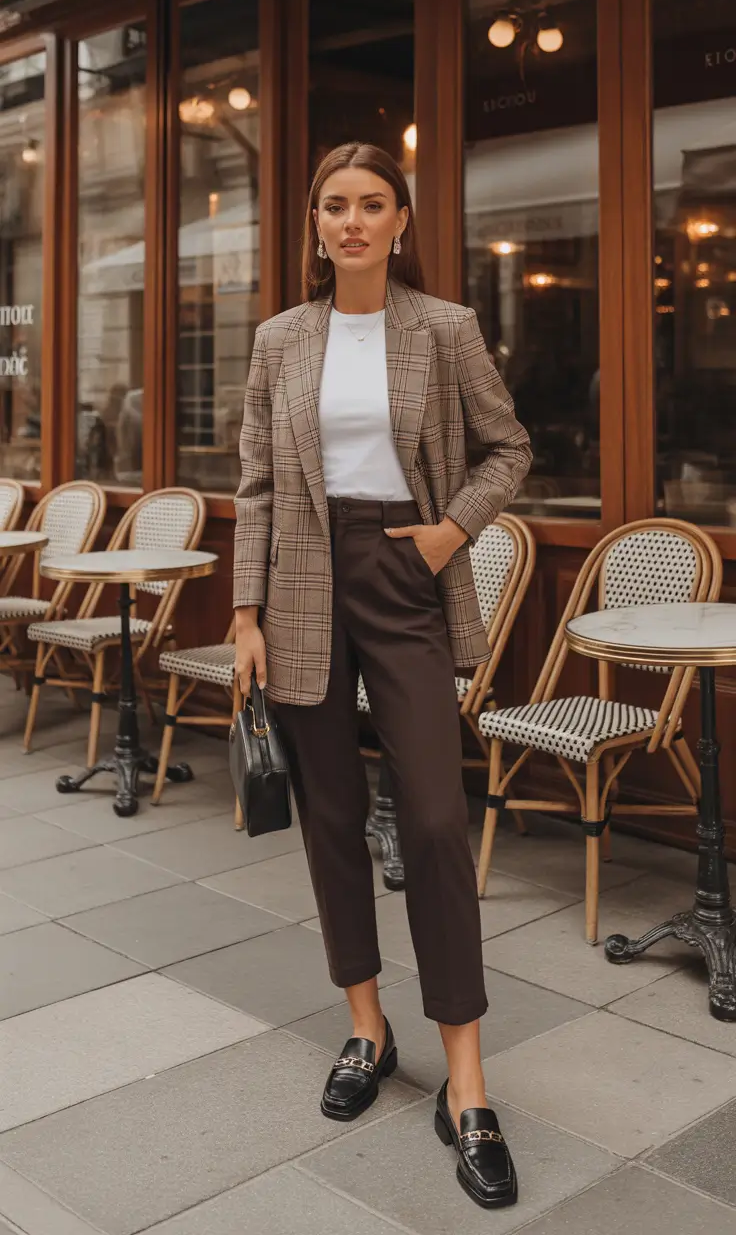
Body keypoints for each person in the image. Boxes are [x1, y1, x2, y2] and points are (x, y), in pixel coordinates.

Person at [233, 142, 531, 1209]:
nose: (351, 221)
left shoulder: (444, 328)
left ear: (401, 221)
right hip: (302, 582)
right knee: (330, 817)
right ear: (314, 224)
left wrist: (451, 532)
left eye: (371, 204)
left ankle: (468, 1084)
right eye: (334, 206)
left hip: (405, 570)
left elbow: (508, 448)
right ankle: (366, 1028)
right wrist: (245, 611)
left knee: (438, 822)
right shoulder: (279, 338)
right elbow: (257, 484)